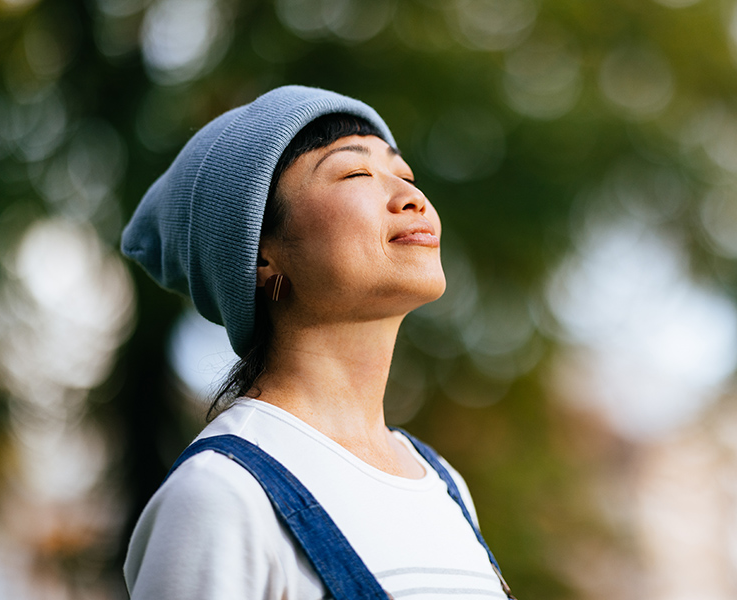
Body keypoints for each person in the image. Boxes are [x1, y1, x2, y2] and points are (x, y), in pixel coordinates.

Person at [119, 86, 513, 600]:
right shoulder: (221, 495)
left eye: (406, 175)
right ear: (258, 253)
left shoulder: (444, 485)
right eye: (355, 173)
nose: (411, 197)